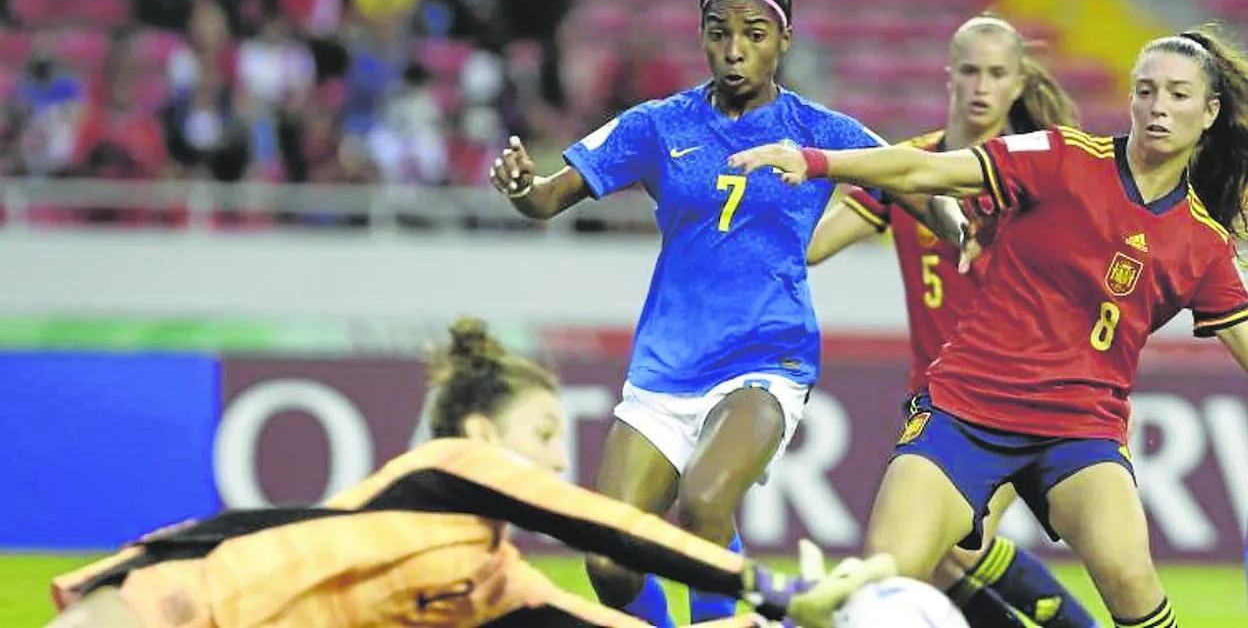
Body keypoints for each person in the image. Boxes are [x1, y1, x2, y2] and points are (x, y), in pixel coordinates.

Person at [728, 25, 1248, 628]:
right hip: (966, 411)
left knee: (1134, 583)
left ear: (1210, 112)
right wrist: (816, 161)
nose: (1158, 107)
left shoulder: (1203, 246)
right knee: (880, 584)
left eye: (1178, 95)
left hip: (1080, 431)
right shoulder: (1063, 157)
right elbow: (922, 170)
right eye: (1145, 90)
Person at [488, 0, 904, 626]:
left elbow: (910, 171)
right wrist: (524, 188)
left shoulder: (818, 129)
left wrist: (961, 221)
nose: (734, 49)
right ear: (702, 38)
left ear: (784, 39)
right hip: (666, 366)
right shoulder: (658, 125)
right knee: (607, 562)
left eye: (753, 34)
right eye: (719, 34)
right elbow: (549, 199)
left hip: (765, 357)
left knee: (704, 502)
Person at [46, 318, 892, 628]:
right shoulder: (445, 468)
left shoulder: (492, 581)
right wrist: (764, 587)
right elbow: (611, 525)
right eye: (546, 433)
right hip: (159, 609)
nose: (562, 459)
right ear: (486, 430)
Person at [806, 15, 1097, 628]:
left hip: (1017, 395)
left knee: (937, 555)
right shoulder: (909, 166)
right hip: (936, 399)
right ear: (949, 77)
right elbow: (811, 247)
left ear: (1019, 85)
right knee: (935, 561)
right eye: (970, 71)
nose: (982, 86)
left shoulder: (1039, 172)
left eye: (997, 73)